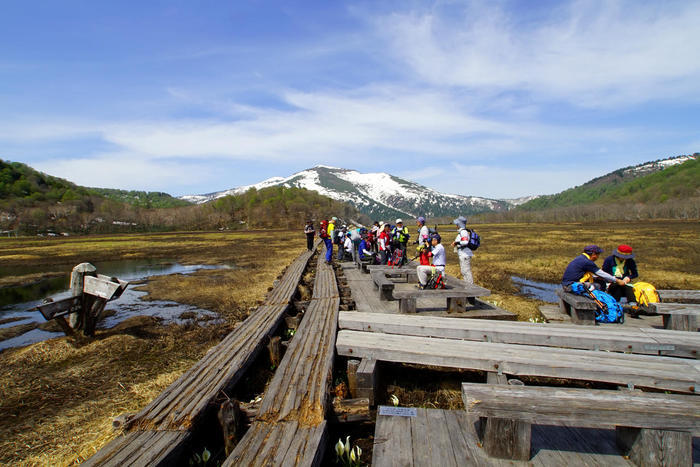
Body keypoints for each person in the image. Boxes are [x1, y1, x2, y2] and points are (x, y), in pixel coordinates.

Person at [561, 245, 628, 291]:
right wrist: (617, 280)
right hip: (571, 286)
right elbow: (601, 273)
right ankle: (597, 303)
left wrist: (595, 277)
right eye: (598, 255)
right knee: (599, 285)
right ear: (593, 254)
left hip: (567, 283)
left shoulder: (581, 258)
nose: (598, 257)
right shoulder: (587, 262)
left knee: (598, 281)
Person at [451, 216, 474, 284]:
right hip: (463, 255)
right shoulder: (462, 232)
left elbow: (465, 242)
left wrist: (456, 243)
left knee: (466, 272)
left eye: (457, 224)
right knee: (464, 271)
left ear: (459, 224)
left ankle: (471, 289)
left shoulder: (463, 232)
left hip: (465, 255)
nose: (456, 225)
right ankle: (468, 287)